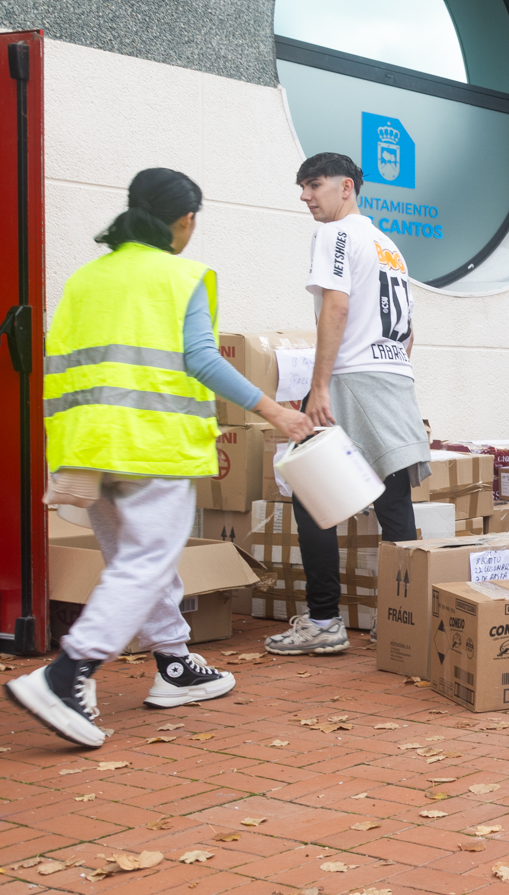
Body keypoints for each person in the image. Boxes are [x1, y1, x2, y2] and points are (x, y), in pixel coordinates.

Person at [7, 170, 312, 747]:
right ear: (184, 220)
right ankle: (67, 674)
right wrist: (276, 411)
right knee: (146, 561)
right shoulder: (180, 275)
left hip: (86, 446)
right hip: (150, 444)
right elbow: (201, 359)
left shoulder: (86, 279)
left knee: (135, 559)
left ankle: (174, 664)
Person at [264, 153, 429, 656]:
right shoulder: (389, 246)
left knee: (314, 497)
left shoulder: (337, 235)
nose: (305, 196)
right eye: (302, 187)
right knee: (394, 503)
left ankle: (323, 622)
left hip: (353, 379)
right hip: (394, 377)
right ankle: (403, 620)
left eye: (314, 185)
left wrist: (319, 387)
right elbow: (408, 333)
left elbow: (335, 306)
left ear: (347, 188)